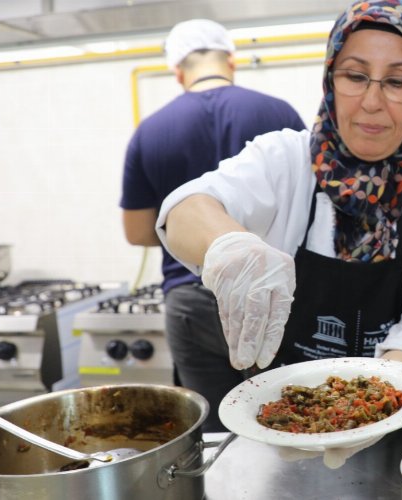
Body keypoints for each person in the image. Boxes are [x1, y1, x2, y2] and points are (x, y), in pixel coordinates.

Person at [157, 0, 402, 444]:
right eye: (354, 75)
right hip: (285, 420)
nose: (372, 102)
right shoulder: (284, 159)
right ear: (330, 78)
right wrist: (228, 245)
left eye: (398, 82)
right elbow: (187, 208)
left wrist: (365, 411)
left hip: (400, 426)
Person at [120, 19, 305, 432]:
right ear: (231, 62)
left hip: (190, 301)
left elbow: (136, 231)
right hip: (267, 295)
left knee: (215, 435)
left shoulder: (149, 131)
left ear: (177, 71)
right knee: (284, 422)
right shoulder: (278, 113)